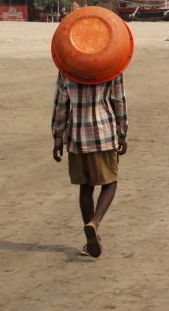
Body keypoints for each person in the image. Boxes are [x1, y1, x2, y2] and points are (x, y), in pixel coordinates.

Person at [52, 72, 128, 258]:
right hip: (103, 133)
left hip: (77, 136)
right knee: (111, 182)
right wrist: (122, 133)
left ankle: (91, 241)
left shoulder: (67, 67)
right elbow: (119, 101)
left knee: (86, 188)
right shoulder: (113, 65)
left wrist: (57, 137)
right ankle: (94, 223)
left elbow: (61, 105)